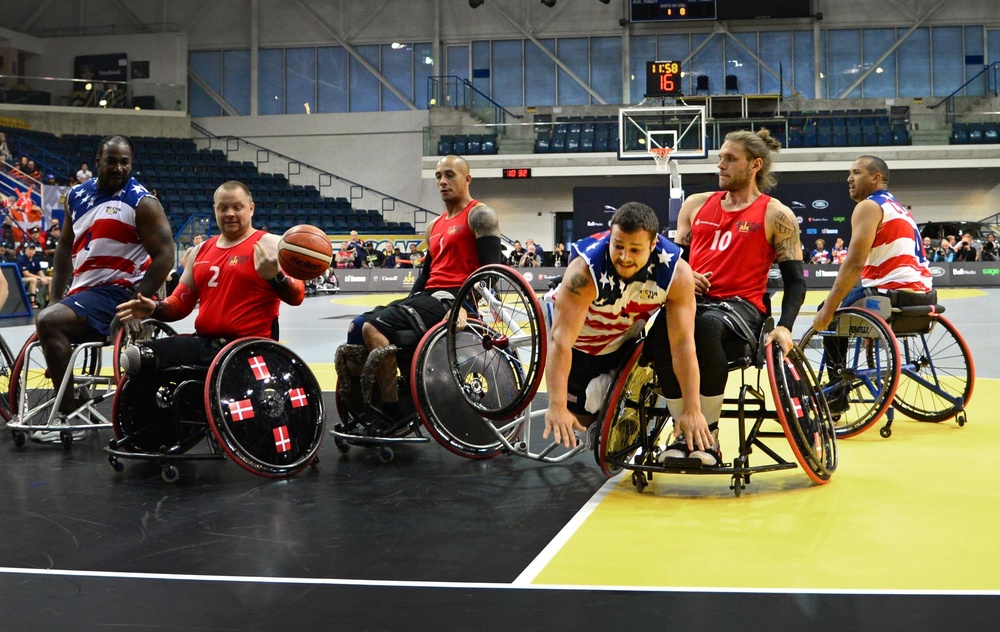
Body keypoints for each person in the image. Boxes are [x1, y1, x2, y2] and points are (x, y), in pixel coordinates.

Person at [659, 128, 807, 464]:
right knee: (658, 333)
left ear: (755, 165)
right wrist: (685, 276)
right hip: (693, 302)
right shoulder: (695, 206)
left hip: (742, 309)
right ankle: (682, 431)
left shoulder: (776, 214)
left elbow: (796, 282)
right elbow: (672, 264)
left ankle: (707, 437)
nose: (720, 165)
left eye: (730, 159)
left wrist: (784, 326)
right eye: (720, 158)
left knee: (707, 327)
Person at [341, 154, 501, 427]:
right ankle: (393, 393)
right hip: (427, 299)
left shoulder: (480, 215)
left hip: (453, 301)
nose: (442, 181)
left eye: (450, 175)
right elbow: (426, 274)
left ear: (467, 179)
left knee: (368, 327)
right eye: (438, 176)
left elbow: (492, 274)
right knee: (356, 330)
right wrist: (410, 299)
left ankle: (391, 411)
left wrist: (463, 304)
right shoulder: (434, 226)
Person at [35, 135, 174, 434]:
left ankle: (68, 415)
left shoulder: (142, 202)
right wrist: (56, 297)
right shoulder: (76, 196)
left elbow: (165, 257)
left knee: (49, 322)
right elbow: (64, 247)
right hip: (84, 292)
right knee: (50, 316)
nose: (119, 168)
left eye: (125, 162)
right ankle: (68, 397)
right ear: (98, 161)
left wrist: (136, 302)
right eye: (112, 161)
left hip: (117, 292)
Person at [542, 202, 707, 452]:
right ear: (610, 236)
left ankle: (607, 399)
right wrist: (556, 405)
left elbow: (683, 344)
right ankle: (596, 405)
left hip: (623, 339)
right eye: (618, 245)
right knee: (581, 423)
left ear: (653, 246)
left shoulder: (676, 274)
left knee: (605, 436)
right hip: (580, 344)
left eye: (634, 249)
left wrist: (692, 409)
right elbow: (560, 341)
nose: (624, 256)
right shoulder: (584, 272)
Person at [115, 180, 305, 369]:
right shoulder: (200, 251)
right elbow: (180, 304)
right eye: (223, 208)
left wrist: (275, 277)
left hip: (248, 348)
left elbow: (297, 296)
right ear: (215, 210)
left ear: (251, 209)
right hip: (206, 345)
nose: (230, 214)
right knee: (135, 357)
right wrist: (155, 308)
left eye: (237, 207)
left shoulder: (272, 245)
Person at [813, 156, 932, 412]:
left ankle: (836, 394)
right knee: (844, 301)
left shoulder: (869, 206)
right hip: (923, 297)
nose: (849, 178)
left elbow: (854, 264)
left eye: (856, 172)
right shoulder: (899, 208)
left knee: (830, 312)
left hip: (890, 294)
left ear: (876, 178)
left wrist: (829, 308)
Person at [17, 243, 50, 308]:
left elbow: (40, 271)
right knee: (33, 280)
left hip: (34, 278)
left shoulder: (35, 259)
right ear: (26, 250)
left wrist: (43, 278)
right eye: (30, 249)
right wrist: (39, 278)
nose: (31, 251)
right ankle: (32, 302)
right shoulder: (22, 259)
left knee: (50, 279)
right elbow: (26, 274)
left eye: (33, 250)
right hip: (22, 279)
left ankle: (51, 300)